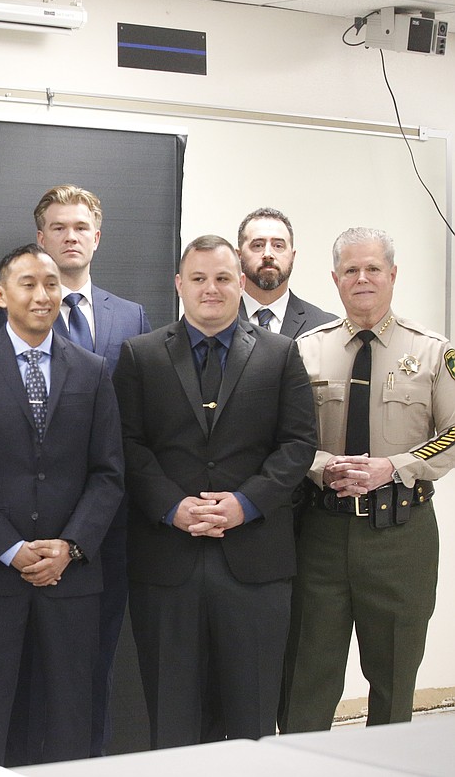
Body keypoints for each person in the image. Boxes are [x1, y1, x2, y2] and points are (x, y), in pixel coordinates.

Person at [112, 234, 316, 749]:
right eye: (199, 278)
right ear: (179, 284)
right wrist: (171, 506)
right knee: (174, 716)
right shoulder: (140, 356)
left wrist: (245, 504)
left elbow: (297, 444)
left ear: (241, 283)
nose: (211, 289)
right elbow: (126, 445)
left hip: (255, 565)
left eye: (223, 278)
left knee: (252, 717)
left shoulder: (280, 354)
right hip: (167, 563)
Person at [0, 244, 123, 767]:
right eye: (28, 283)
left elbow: (109, 473)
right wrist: (10, 548)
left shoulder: (90, 371)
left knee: (69, 720)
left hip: (71, 578)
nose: (43, 295)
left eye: (51, 284)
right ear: (1, 295)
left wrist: (69, 546)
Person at [0, 184, 150, 757]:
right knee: (19, 681)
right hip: (16, 533)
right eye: (58, 227)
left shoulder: (129, 315)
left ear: (98, 237)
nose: (71, 236)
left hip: (100, 527)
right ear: (41, 237)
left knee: (88, 675)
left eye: (81, 227)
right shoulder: (3, 317)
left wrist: (81, 534)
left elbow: (130, 431)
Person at [280, 227, 455, 731]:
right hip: (323, 535)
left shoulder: (432, 352)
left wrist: (393, 467)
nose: (362, 278)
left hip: (401, 535)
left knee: (395, 677)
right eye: (351, 270)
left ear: (393, 275)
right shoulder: (305, 351)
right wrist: (320, 466)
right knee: (308, 675)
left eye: (373, 268)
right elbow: (281, 438)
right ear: (335, 279)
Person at [235, 207, 335, 336]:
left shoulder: (324, 329)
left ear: (292, 256)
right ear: (239, 256)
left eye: (278, 246)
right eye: (258, 245)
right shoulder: (214, 322)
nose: (268, 254)